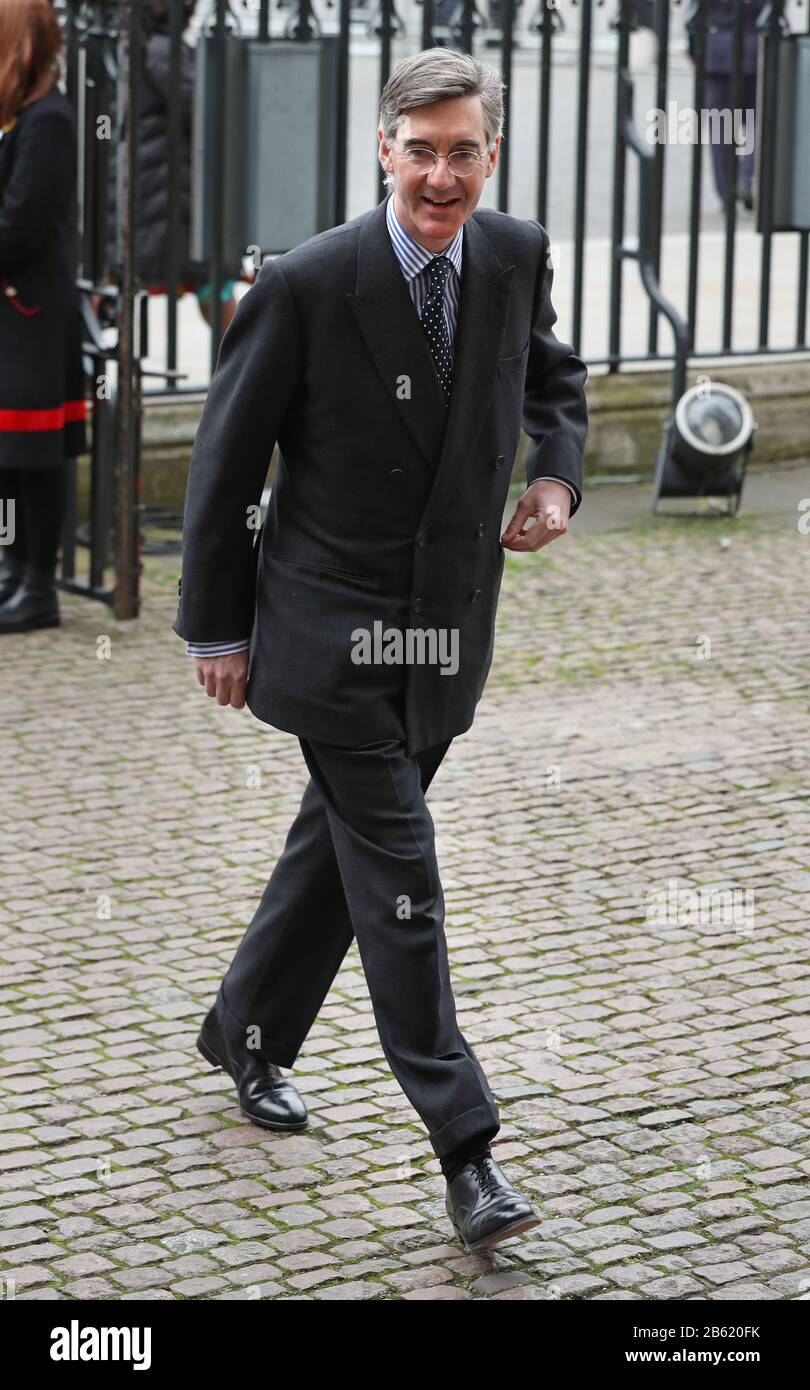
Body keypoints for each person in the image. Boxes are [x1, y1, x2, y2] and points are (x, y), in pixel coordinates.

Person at [173, 47, 589, 1253]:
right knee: (401, 876)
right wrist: (219, 623)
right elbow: (224, 459)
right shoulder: (308, 284)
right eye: (422, 150)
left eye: (465, 151)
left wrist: (558, 477)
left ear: (490, 155)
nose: (443, 176)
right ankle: (468, 1149)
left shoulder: (514, 255)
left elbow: (553, 382)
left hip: (449, 631)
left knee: (339, 854)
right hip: (330, 635)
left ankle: (245, 1031)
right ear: (382, 149)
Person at [0, 0, 87, 633]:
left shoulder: (49, 118)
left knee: (35, 451)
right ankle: (13, 569)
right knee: (8, 452)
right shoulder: (19, 116)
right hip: (13, 314)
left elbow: (21, 221)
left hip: (32, 312)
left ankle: (38, 585)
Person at [92, 0, 244, 334]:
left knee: (111, 288)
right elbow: (205, 113)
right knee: (214, 286)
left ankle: (95, 372)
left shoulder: (120, 47)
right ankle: (249, 368)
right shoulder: (165, 52)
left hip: (134, 208)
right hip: (167, 214)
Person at [686, 0, 770, 209]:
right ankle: (748, 179)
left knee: (721, 130)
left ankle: (727, 191)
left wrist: (693, 49)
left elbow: (694, 16)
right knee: (756, 124)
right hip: (754, 51)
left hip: (717, 52)